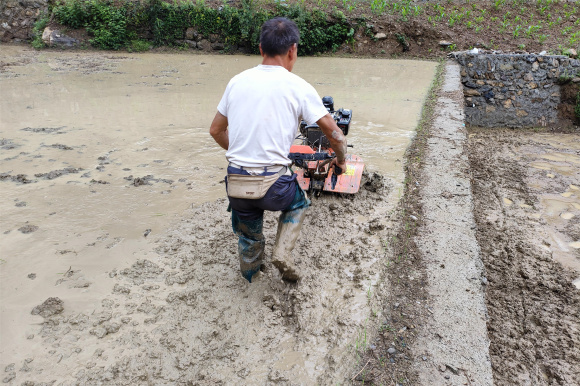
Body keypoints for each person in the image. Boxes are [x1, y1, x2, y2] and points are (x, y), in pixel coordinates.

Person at [209, 17, 347, 283]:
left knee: (249, 235)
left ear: (261, 49)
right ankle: (282, 254)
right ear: (292, 50)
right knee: (299, 203)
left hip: (236, 183)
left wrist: (237, 148)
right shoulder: (298, 86)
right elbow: (335, 134)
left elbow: (215, 130)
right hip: (275, 188)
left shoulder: (236, 82)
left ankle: (250, 277)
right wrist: (340, 160)